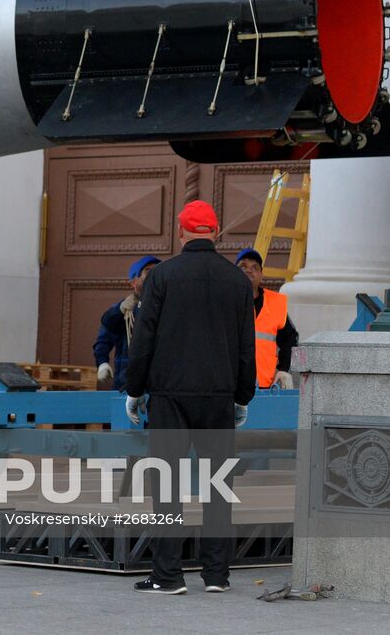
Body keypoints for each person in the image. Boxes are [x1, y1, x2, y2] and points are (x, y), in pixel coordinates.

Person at [125, 199, 255, 596]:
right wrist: (243, 396)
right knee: (218, 485)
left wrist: (135, 389)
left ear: (181, 232)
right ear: (215, 233)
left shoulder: (162, 277)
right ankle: (217, 575)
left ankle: (168, 575)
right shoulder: (238, 282)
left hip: (170, 394)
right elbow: (246, 346)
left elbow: (143, 340)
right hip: (218, 395)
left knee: (167, 485)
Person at [234, 248, 299, 390]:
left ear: (261, 275)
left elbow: (290, 338)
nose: (249, 270)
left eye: (255, 267)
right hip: (230, 387)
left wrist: (283, 369)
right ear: (234, 273)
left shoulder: (275, 304)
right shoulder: (225, 302)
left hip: (265, 388)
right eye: (243, 266)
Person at [93, 255, 160, 392]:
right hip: (126, 385)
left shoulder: (166, 308)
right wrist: (102, 363)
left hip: (160, 387)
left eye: (157, 271)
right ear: (134, 282)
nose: (154, 275)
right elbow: (104, 340)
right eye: (148, 271)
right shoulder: (123, 312)